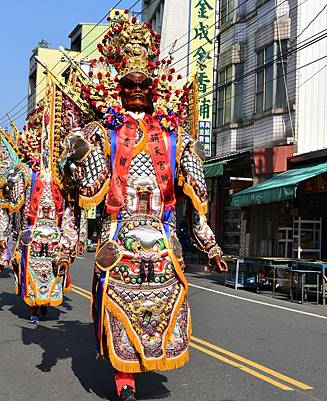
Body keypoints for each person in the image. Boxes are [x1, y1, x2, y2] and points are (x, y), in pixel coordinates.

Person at [64, 12, 227, 401]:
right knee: (117, 304)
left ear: (153, 88)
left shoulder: (174, 139)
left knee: (162, 306)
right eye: (129, 84)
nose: (136, 89)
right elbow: (88, 190)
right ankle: (124, 377)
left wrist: (212, 247)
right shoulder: (103, 134)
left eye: (142, 84)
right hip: (119, 239)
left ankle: (146, 362)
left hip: (163, 236)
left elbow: (197, 204)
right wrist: (80, 156)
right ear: (118, 88)